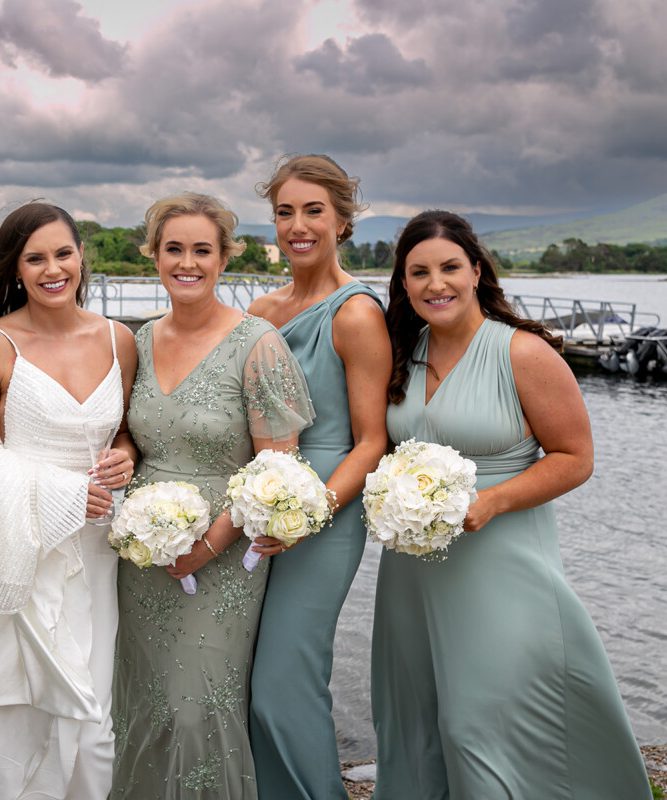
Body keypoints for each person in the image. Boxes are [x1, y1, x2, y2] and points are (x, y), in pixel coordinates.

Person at [371, 210, 651, 799]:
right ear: (402, 284)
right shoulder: (401, 353)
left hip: (501, 564)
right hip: (410, 574)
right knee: (414, 723)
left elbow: (575, 457)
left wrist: (492, 501)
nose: (435, 284)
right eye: (417, 273)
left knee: (475, 723)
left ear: (476, 270)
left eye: (449, 267)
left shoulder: (522, 353)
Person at [111, 193, 315, 800]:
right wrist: (123, 452)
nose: (188, 263)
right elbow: (129, 430)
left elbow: (277, 467)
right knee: (145, 703)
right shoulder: (139, 341)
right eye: (174, 249)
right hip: (144, 552)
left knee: (196, 708)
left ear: (225, 257)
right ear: (153, 255)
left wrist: (208, 544)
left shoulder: (258, 343)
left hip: (222, 555)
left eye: (203, 250)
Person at [0, 202, 138, 800]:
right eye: (35, 258)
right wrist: (59, 493)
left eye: (63, 253)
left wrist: (125, 451)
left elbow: (123, 429)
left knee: (92, 708)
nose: (53, 269)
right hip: (14, 546)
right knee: (4, 705)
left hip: (98, 545)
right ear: (16, 269)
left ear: (82, 256)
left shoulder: (120, 339)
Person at [245, 155, 391, 800]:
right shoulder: (260, 309)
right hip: (255, 507)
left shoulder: (357, 313)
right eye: (284, 212)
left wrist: (311, 514)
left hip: (328, 512)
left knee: (285, 679)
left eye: (313, 211)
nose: (297, 225)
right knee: (243, 674)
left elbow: (372, 439)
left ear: (341, 221)